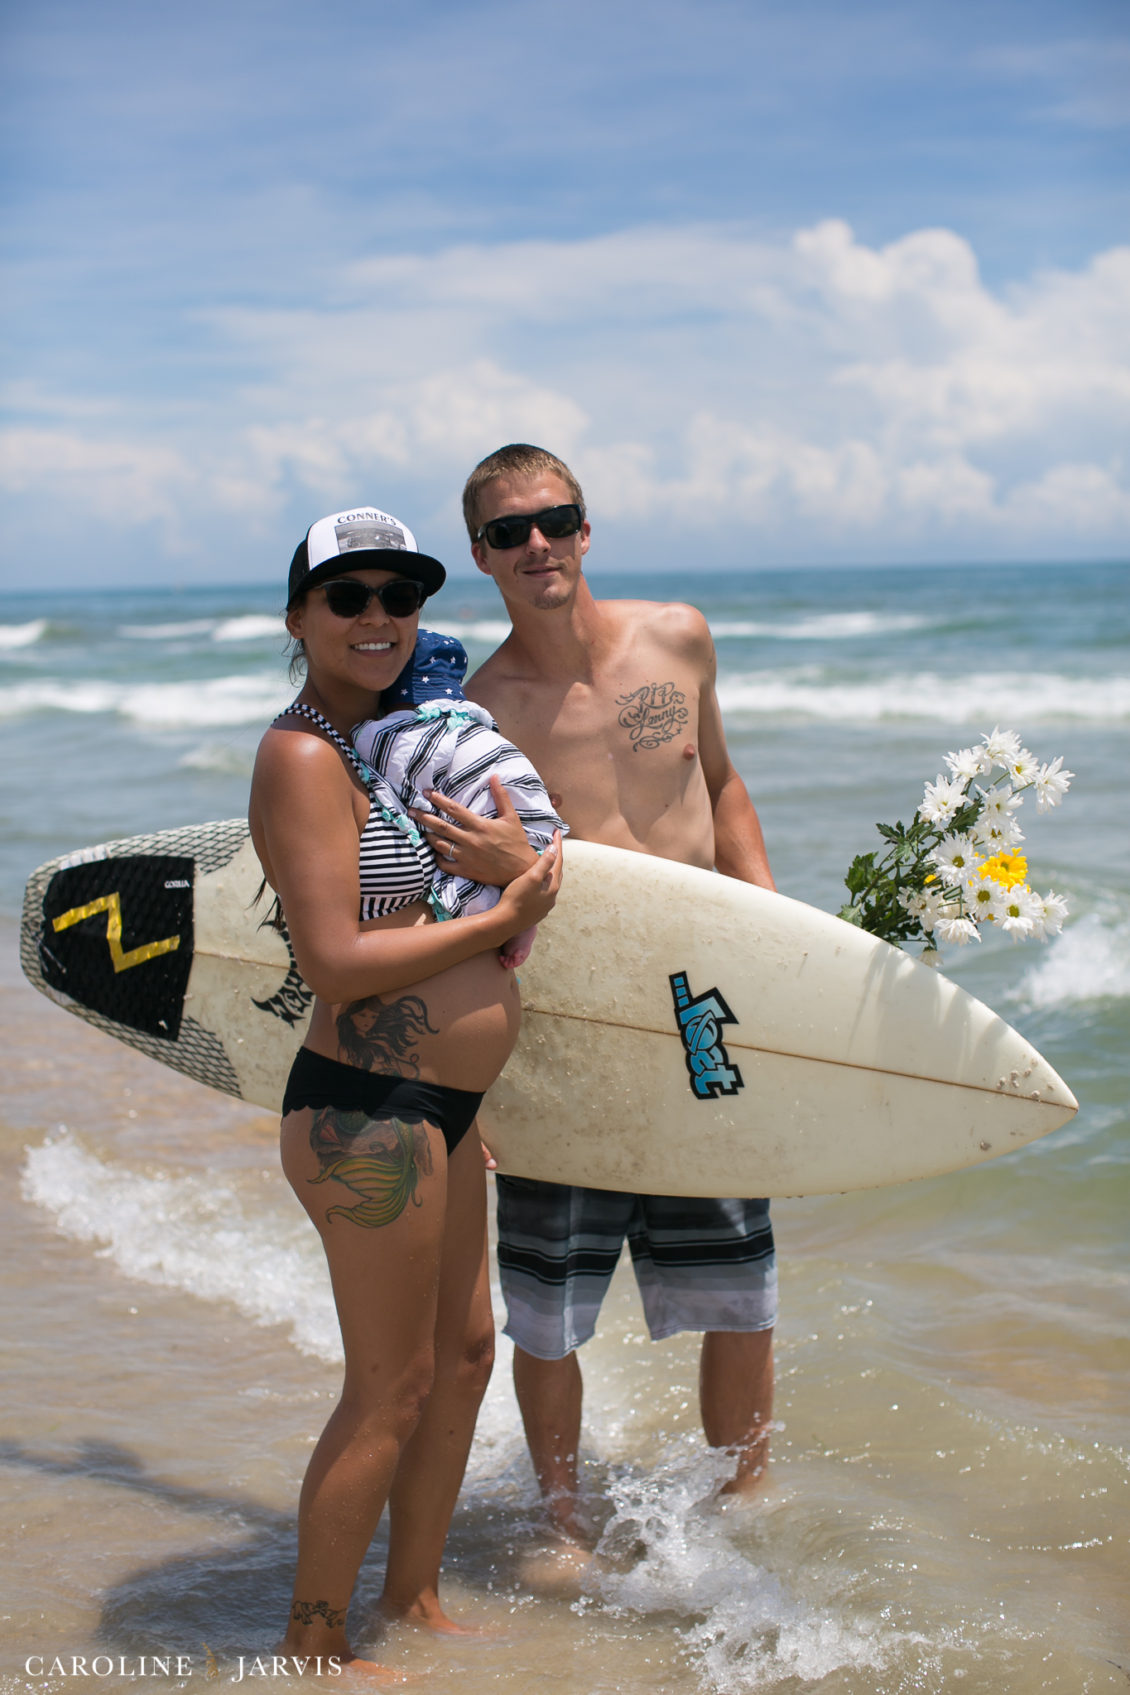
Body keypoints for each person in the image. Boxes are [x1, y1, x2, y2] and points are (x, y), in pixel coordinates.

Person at [409, 446, 777, 1552]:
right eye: (510, 532)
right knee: (550, 1309)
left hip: (702, 1008)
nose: (538, 546)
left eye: (555, 521)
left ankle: (744, 1504)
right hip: (560, 1030)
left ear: (584, 527)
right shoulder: (475, 713)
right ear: (478, 556)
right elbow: (458, 896)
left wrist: (779, 939)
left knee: (739, 1285)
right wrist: (465, 1085)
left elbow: (717, 782)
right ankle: (562, 1526)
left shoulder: (678, 637)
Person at [248, 503, 562, 1675]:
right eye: (349, 597)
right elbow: (331, 958)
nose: (379, 618)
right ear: (300, 618)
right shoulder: (301, 755)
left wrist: (505, 872)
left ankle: (413, 1600)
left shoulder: (400, 739)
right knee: (388, 1389)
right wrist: (520, 910)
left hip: (444, 1110)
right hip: (361, 1112)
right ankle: (312, 1643)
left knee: (465, 1356)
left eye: (401, 596)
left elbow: (428, 904)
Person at [351, 627, 567, 970]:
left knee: (469, 877)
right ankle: (524, 922)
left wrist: (355, 735)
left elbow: (374, 751)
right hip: (535, 827)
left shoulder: (401, 733)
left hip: (483, 847)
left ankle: (509, 918)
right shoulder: (485, 734)